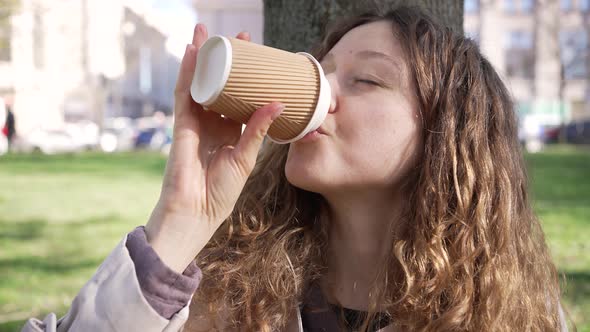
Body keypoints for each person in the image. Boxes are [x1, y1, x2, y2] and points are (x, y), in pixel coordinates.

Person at [22, 6, 569, 332]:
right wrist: (178, 224)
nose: (319, 96)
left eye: (367, 81)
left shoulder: (508, 313)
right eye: (320, 73)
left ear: (447, 139)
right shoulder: (224, 295)